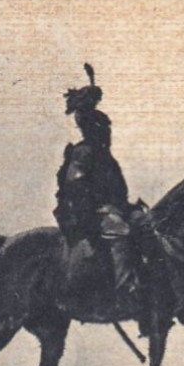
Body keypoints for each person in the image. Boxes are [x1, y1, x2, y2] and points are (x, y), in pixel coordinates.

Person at [54, 64, 140, 309]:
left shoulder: (105, 157)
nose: (108, 133)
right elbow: (77, 186)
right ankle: (126, 292)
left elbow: (115, 191)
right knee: (120, 231)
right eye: (104, 128)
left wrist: (126, 206)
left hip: (111, 210)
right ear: (92, 127)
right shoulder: (83, 153)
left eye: (108, 128)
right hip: (89, 215)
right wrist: (98, 211)